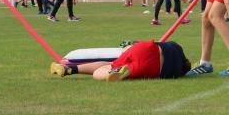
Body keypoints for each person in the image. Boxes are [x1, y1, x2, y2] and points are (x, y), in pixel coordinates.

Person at [49, 40, 191, 81]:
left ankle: (70, 69)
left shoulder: (178, 48)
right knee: (102, 72)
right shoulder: (176, 73)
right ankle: (113, 73)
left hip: (147, 48)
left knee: (112, 63)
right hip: (151, 67)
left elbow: (161, 44)